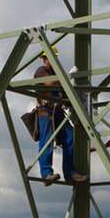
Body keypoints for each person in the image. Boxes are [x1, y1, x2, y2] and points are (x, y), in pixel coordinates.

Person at [34, 47, 88, 186]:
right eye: (48, 58)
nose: (50, 61)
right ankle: (46, 174)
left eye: (53, 58)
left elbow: (65, 96)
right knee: (47, 141)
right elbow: (50, 83)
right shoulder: (42, 71)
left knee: (70, 139)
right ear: (44, 59)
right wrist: (64, 81)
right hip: (45, 112)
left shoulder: (57, 74)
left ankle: (70, 174)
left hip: (57, 112)